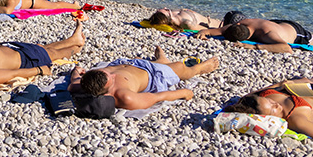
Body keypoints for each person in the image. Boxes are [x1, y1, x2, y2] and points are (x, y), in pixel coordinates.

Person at [68, 46, 219, 114]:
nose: (113, 74)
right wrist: (183, 93)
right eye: (111, 78)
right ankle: (199, 68)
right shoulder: (125, 96)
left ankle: (162, 60)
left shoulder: (81, 84)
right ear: (107, 91)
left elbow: (74, 82)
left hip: (130, 63)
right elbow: (157, 97)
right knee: (180, 67)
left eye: (107, 73)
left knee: (149, 61)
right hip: (154, 75)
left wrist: (76, 72)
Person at [223, 63, 313, 141]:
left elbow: (245, 98)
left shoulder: (265, 96)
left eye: (270, 101)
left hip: (304, 89)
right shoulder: (296, 120)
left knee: (311, 82)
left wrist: (280, 85)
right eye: (273, 109)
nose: (276, 104)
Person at [196, 17, 313, 52]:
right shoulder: (241, 24)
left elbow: (286, 47)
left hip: (295, 32)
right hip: (275, 23)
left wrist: (254, 47)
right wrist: (204, 33)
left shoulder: (266, 35)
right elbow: (214, 31)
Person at [146, 7, 219, 31]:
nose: (165, 8)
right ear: (169, 16)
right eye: (166, 10)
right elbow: (208, 30)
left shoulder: (174, 13)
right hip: (220, 24)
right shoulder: (187, 23)